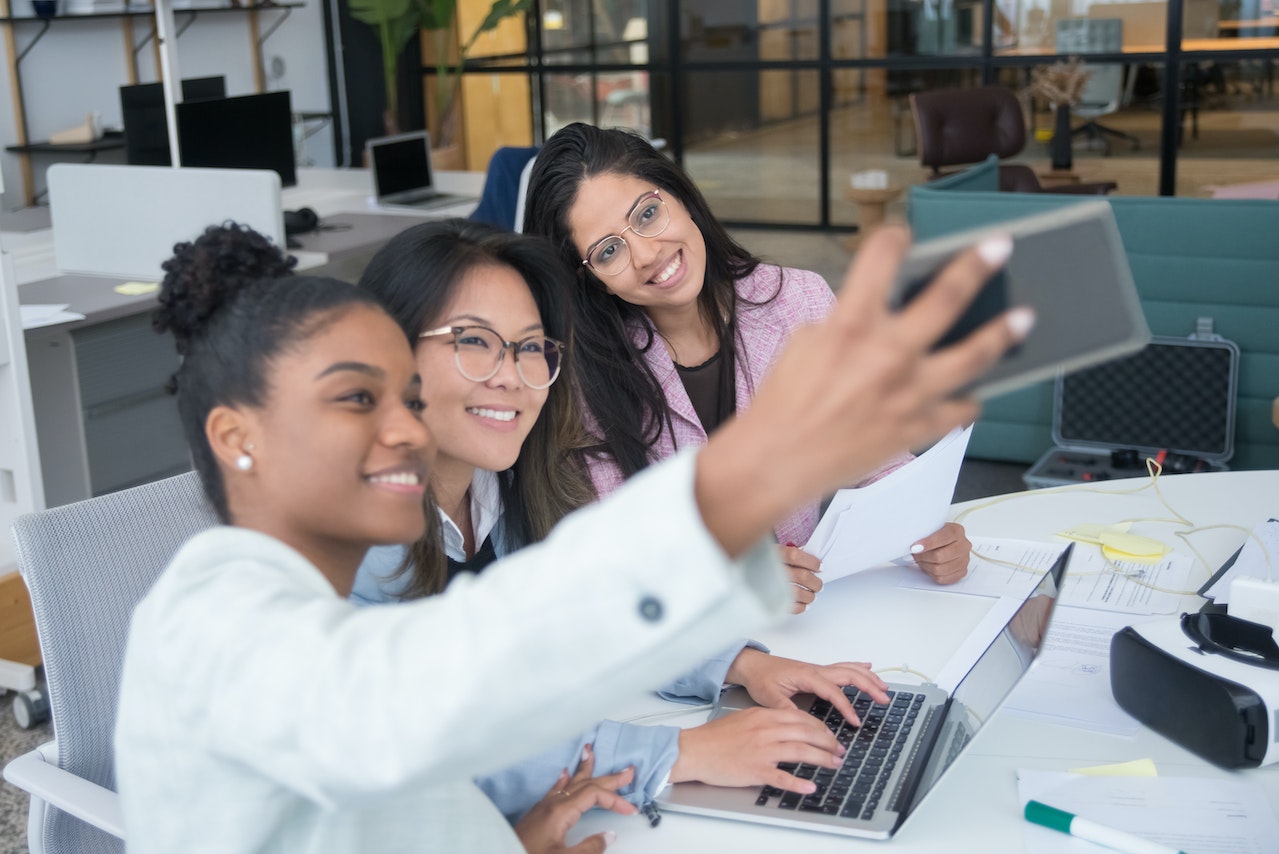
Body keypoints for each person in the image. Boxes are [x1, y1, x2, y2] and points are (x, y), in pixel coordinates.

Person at [114, 218, 1030, 853]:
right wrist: (735, 485)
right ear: (239, 438)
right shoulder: (209, 619)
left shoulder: (493, 498)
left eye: (530, 349)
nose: (398, 424)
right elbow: (419, 697)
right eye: (358, 397)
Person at [350, 218, 893, 821]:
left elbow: (589, 608)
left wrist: (742, 664)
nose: (512, 376)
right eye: (474, 341)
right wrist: (677, 753)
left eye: (531, 347)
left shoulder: (506, 487)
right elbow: (431, 744)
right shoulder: (345, 542)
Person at [523, 124, 973, 609]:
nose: (647, 254)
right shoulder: (584, 377)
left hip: (814, 614)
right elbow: (613, 558)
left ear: (679, 196)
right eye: (608, 250)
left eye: (648, 214)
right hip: (684, 655)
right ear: (590, 279)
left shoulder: (798, 300)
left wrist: (926, 535)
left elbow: (872, 454)